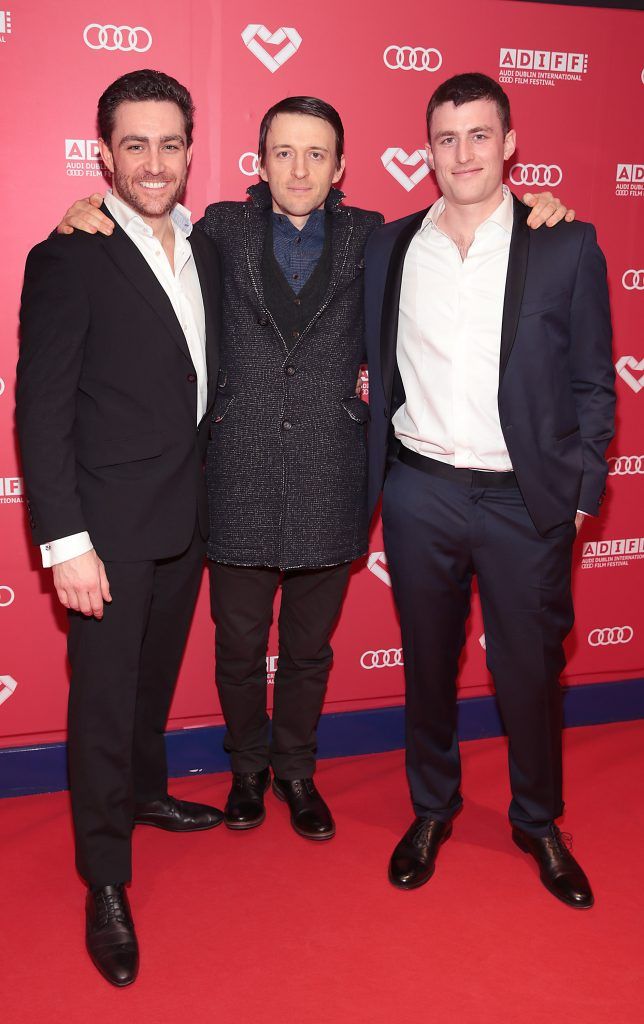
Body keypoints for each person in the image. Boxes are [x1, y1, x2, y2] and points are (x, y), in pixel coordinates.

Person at [57, 96, 572, 844]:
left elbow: (485, 223)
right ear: (259, 163)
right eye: (284, 153)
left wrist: (538, 208)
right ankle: (247, 768)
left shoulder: (377, 239)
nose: (299, 169)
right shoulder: (218, 233)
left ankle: (296, 770)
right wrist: (84, 212)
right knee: (238, 645)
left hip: (335, 472)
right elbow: (140, 242)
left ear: (341, 167)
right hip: (235, 472)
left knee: (309, 647)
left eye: (317, 154)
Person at [364, 73, 615, 908]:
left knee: (531, 671)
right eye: (446, 137)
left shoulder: (565, 243)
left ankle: (538, 819)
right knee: (428, 668)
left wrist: (579, 490)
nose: (462, 152)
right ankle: (432, 808)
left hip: (523, 501)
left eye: (480, 135)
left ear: (510, 143)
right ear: (426, 149)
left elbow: (592, 383)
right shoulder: (390, 247)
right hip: (421, 491)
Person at [16, 70, 223, 987]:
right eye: (133, 145)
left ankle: (143, 795)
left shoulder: (206, 244)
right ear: (104, 153)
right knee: (100, 707)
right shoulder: (67, 255)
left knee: (149, 685)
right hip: (104, 530)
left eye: (169, 144)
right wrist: (65, 543)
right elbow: (41, 412)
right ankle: (104, 875)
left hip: (187, 517)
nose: (153, 162)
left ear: (190, 148)